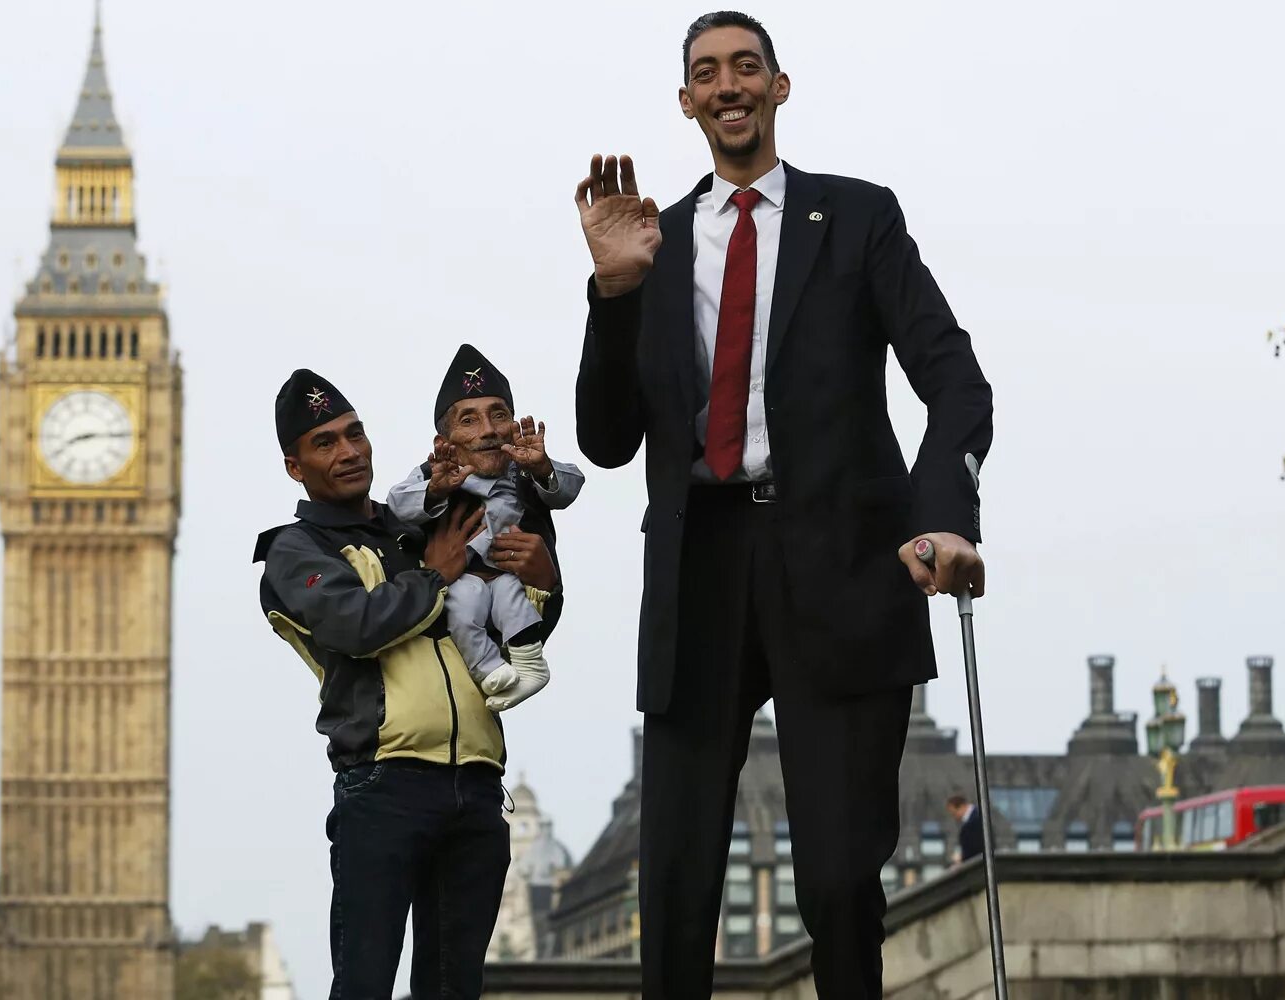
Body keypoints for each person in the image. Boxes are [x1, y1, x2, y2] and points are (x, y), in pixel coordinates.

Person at [572, 11, 992, 998]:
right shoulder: (652, 243)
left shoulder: (858, 217)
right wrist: (612, 290)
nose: (729, 85)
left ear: (778, 87)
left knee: (841, 881)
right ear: (686, 101)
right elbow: (606, 439)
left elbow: (955, 379)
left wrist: (943, 516)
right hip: (699, 565)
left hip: (842, 563)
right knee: (673, 888)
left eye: (746, 67)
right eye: (707, 72)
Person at [251, 369, 558, 999]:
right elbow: (356, 626)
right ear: (294, 466)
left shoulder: (421, 522)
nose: (349, 451)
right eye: (325, 442)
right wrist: (433, 577)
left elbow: (511, 621)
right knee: (364, 984)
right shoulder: (295, 550)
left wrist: (547, 578)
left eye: (355, 434)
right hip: (382, 785)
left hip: (476, 784)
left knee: (454, 989)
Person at [388, 344, 584, 712]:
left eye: (499, 416)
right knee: (463, 606)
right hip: (462, 586)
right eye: (469, 420)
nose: (488, 431)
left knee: (512, 604)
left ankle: (528, 664)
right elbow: (399, 504)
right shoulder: (434, 474)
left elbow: (570, 484)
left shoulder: (523, 467)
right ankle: (490, 670)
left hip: (509, 579)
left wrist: (541, 468)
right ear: (444, 443)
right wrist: (435, 490)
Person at [947, 794, 984, 864]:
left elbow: (976, 848)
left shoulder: (977, 820)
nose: (955, 818)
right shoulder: (974, 818)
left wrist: (962, 857)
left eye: (954, 814)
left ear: (961, 807)